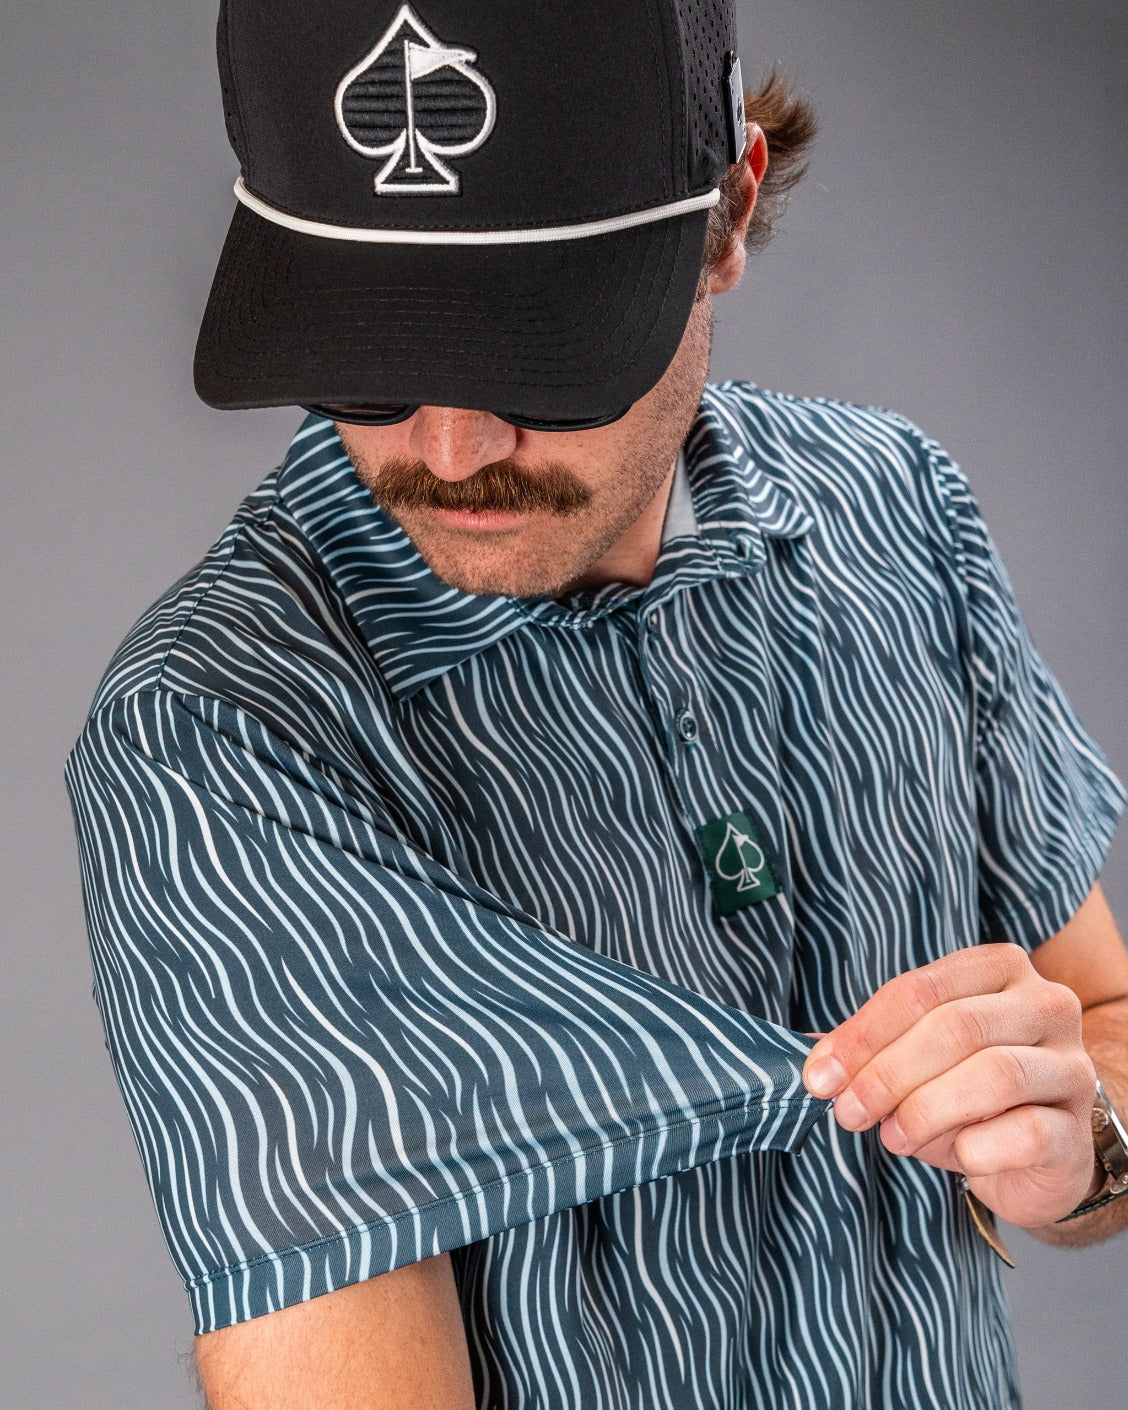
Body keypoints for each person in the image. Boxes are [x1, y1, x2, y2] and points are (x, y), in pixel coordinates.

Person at [63, 1, 1128, 1407]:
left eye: (535, 346)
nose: (451, 446)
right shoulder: (222, 736)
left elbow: (1099, 1032)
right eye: (371, 343)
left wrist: (1086, 1146)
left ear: (731, 216)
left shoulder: (902, 513)